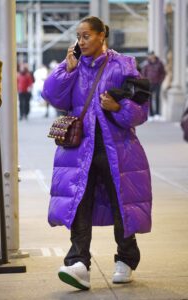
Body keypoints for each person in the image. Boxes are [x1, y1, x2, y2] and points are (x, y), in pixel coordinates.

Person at [42, 16, 152, 291]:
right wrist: (66, 70)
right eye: (79, 36)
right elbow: (53, 96)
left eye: (87, 35)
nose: (81, 41)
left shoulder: (123, 65)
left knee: (121, 205)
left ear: (102, 35)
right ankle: (79, 263)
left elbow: (140, 111)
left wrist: (117, 108)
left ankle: (126, 259)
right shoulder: (74, 65)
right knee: (79, 206)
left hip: (118, 151)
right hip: (79, 152)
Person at [141, 51, 166, 119]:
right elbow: (143, 74)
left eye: (152, 55)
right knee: (150, 99)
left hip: (157, 83)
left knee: (157, 97)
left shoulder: (159, 63)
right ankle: (151, 114)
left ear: (154, 55)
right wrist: (145, 82)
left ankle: (157, 114)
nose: (150, 57)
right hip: (149, 84)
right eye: (149, 55)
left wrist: (160, 81)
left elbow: (163, 73)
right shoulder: (146, 64)